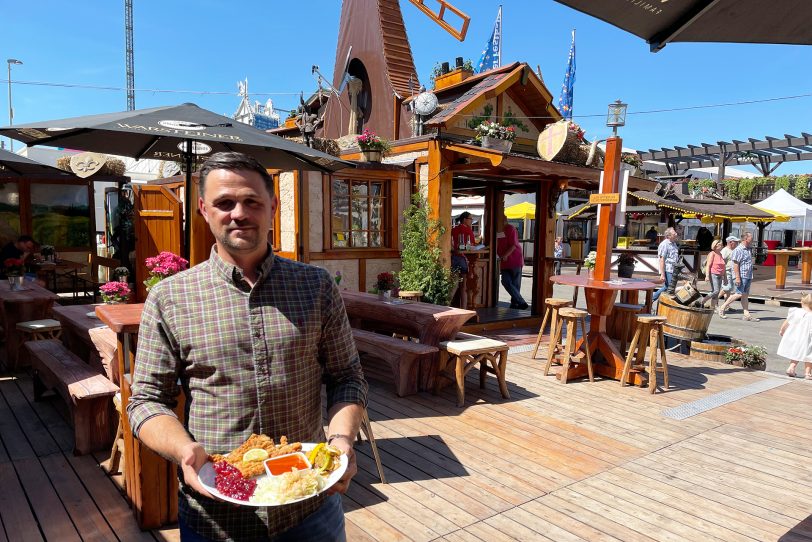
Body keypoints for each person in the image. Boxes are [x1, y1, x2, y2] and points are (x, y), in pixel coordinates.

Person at [127, 152, 368, 541]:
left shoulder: (316, 286)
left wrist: (340, 441)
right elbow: (146, 401)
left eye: (252, 201)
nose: (239, 213)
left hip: (307, 507)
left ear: (272, 207)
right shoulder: (171, 297)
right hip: (216, 515)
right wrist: (184, 450)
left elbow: (347, 377)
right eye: (225, 203)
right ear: (204, 209)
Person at [718, 231, 758, 321]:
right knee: (738, 293)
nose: (752, 238)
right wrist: (737, 277)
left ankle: (746, 315)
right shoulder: (738, 250)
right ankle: (722, 307)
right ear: (745, 239)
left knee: (745, 295)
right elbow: (735, 264)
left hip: (748, 275)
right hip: (742, 275)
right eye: (751, 237)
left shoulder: (748, 249)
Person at [778, 292, 812, 379]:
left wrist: (782, 330)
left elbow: (787, 321)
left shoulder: (796, 312)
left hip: (797, 337)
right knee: (809, 354)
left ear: (802, 302)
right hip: (809, 338)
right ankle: (807, 373)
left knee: (797, 352)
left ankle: (791, 368)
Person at [497, 222, 528, 310]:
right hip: (504, 261)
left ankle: (515, 304)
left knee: (515, 284)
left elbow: (514, 245)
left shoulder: (510, 228)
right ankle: (521, 302)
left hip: (515, 259)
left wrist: (506, 255)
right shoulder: (497, 230)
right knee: (505, 281)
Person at [450, 212, 476, 309]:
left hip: (454, 258)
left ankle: (446, 306)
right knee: (463, 287)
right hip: (464, 259)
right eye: (470, 219)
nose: (471, 221)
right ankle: (464, 309)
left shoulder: (454, 229)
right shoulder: (468, 230)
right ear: (465, 219)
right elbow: (472, 245)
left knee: (454, 284)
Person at [652, 227, 679, 302]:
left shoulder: (674, 244)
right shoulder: (664, 244)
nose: (676, 234)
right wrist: (662, 274)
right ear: (669, 236)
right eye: (674, 233)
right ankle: (652, 299)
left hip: (673, 269)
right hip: (668, 269)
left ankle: (652, 299)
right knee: (670, 287)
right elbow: (662, 259)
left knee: (668, 286)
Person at [698, 240, 727, 309]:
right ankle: (702, 301)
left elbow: (723, 266)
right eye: (720, 245)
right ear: (716, 246)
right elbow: (708, 265)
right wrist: (707, 276)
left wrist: (725, 277)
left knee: (716, 292)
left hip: (720, 274)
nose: (722, 246)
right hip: (713, 273)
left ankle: (713, 307)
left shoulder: (720, 254)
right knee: (716, 290)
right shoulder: (712, 253)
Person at [718, 235, 739, 302]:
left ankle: (727, 305)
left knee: (728, 290)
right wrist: (723, 274)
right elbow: (721, 262)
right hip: (727, 272)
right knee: (727, 288)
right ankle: (714, 301)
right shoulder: (725, 250)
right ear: (730, 242)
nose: (737, 243)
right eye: (735, 242)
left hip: (731, 272)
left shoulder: (732, 250)